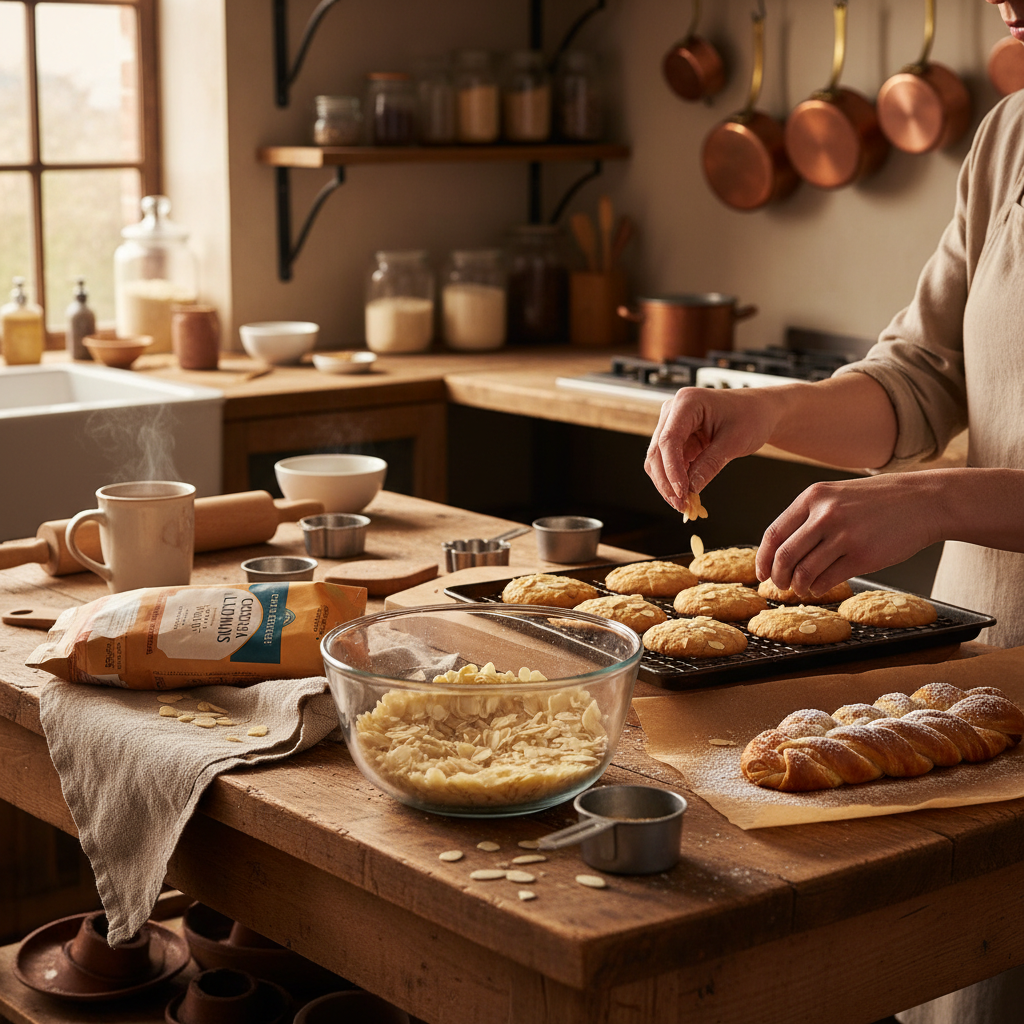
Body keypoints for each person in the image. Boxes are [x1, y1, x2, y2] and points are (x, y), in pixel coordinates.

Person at [645, 3, 1024, 1020]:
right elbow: (922, 375)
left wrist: (939, 497)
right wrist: (761, 411)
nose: (1006, 10)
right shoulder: (1008, 133)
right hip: (978, 692)